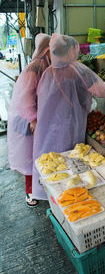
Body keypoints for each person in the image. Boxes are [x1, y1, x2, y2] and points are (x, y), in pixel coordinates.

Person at [31, 33, 105, 200]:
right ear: (71, 49)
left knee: (53, 164)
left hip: (49, 128)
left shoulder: (48, 72)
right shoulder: (77, 69)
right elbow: (103, 91)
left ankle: (55, 195)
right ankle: (71, 196)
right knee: (70, 162)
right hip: (69, 125)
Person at [7, 33, 51, 207]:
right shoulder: (35, 68)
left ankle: (39, 187)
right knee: (29, 157)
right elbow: (25, 99)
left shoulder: (45, 65)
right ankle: (30, 191)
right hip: (26, 119)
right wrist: (33, 119)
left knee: (37, 155)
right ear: (46, 50)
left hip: (35, 117)